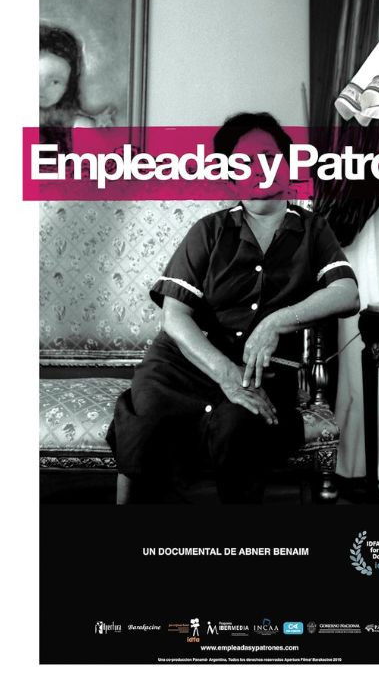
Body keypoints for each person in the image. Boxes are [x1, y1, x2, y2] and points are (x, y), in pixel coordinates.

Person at [105, 112, 360, 504]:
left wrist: (276, 321)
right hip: (185, 366)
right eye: (244, 161)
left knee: (239, 427)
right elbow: (174, 315)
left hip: (261, 375)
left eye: (269, 156)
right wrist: (224, 372)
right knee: (150, 424)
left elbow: (347, 293)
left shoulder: (313, 230)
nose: (259, 168)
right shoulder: (208, 231)